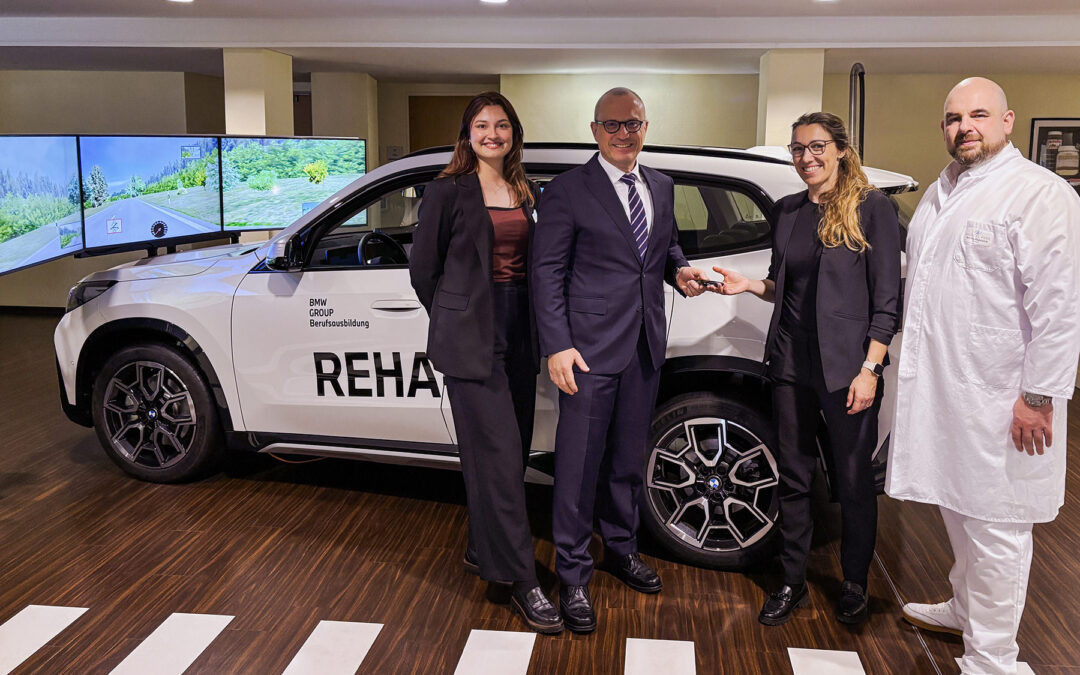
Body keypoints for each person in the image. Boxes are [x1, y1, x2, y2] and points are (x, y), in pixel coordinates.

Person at [886, 77, 1080, 674]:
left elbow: (1060, 305)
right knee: (959, 511)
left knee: (997, 526)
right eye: (952, 118)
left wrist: (1038, 396)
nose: (963, 126)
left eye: (977, 115)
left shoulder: (1039, 195)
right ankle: (966, 608)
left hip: (1006, 397)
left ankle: (993, 660)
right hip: (948, 390)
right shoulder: (945, 189)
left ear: (1006, 121)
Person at [530, 87, 712, 633]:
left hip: (643, 346)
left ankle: (622, 548)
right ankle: (575, 574)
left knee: (629, 461)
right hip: (585, 352)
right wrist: (557, 345)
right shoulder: (566, 191)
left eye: (631, 124)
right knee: (579, 466)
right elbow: (547, 274)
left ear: (645, 127)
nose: (622, 133)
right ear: (594, 130)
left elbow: (663, 248)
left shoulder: (660, 183)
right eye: (612, 125)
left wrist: (678, 270)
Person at [711, 112, 901, 626]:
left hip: (848, 370)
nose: (806, 157)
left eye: (816, 147)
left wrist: (871, 369)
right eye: (797, 149)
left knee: (853, 480)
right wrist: (748, 286)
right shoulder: (788, 210)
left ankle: (855, 583)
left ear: (840, 149)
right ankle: (792, 580)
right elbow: (783, 285)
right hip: (791, 361)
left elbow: (888, 301)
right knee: (793, 477)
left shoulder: (871, 207)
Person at [409, 92, 563, 635]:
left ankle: (482, 546)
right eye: (482, 125)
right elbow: (423, 271)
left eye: (501, 125)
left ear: (514, 133)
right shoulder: (446, 191)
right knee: (497, 457)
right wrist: (458, 314)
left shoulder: (526, 189)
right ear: (467, 134)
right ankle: (521, 579)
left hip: (522, 330)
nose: (492, 133)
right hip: (473, 337)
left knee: (511, 451)